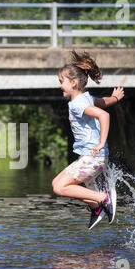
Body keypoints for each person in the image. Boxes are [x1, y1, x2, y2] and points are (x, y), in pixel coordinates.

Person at [51, 50, 124, 230]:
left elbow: (104, 115)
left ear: (73, 83)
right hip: (91, 158)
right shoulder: (86, 98)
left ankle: (102, 199)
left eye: (62, 82)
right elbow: (103, 102)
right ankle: (96, 207)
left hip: (93, 158)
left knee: (59, 188)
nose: (60, 86)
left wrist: (100, 143)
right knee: (56, 184)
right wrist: (115, 98)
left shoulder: (78, 104)